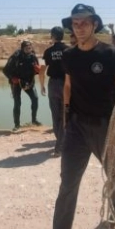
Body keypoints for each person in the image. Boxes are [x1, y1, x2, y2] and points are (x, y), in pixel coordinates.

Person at [36, 4, 115, 229]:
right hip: (77, 128)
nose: (79, 27)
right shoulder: (69, 55)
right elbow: (68, 86)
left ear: (94, 24)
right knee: (67, 185)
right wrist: (67, 119)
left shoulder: (110, 53)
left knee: (113, 173)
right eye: (75, 23)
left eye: (84, 22)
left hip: (107, 127)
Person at [39, 27, 69, 157]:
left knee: (55, 114)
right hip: (67, 83)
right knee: (65, 115)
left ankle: (59, 143)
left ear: (53, 36)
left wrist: (42, 85)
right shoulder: (69, 50)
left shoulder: (48, 51)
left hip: (53, 84)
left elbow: (41, 70)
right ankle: (60, 144)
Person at [3, 40, 41, 130]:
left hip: (29, 82)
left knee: (35, 98)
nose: (29, 49)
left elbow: (37, 71)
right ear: (22, 48)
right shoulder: (15, 57)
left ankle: (34, 120)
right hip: (17, 82)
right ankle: (17, 125)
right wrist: (12, 78)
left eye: (30, 48)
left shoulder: (33, 57)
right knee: (17, 103)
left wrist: (38, 71)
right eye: (27, 48)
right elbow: (5, 70)